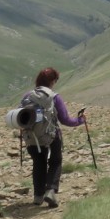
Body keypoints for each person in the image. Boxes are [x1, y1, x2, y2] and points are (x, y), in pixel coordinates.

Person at [23, 67, 85, 208]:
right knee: (55, 161)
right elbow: (65, 120)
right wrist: (81, 121)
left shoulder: (27, 96)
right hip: (51, 137)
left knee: (38, 163)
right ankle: (50, 190)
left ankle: (38, 196)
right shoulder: (54, 97)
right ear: (52, 81)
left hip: (32, 137)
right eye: (55, 80)